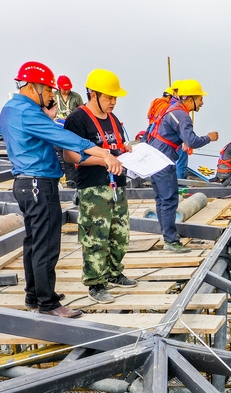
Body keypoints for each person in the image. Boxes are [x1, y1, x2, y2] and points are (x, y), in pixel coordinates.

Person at [0, 61, 122, 318]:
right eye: (48, 91)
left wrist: (50, 118)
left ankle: (35, 294)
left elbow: (49, 130)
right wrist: (102, 152)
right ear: (33, 88)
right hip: (39, 183)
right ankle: (49, 303)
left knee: (33, 241)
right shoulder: (27, 112)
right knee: (46, 244)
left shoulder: (12, 108)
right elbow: (64, 138)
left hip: (25, 183)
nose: (52, 95)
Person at [63, 69, 137, 305]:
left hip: (117, 185)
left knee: (120, 234)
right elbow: (71, 156)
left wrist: (126, 151)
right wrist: (104, 159)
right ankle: (96, 283)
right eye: (108, 97)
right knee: (96, 236)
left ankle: (114, 272)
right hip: (93, 188)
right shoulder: (77, 119)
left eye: (115, 98)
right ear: (93, 95)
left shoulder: (113, 119)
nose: (113, 102)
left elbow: (114, 146)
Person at [146, 79, 218, 252]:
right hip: (163, 160)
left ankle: (166, 234)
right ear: (190, 98)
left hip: (154, 156)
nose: (202, 102)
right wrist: (209, 137)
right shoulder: (182, 115)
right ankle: (170, 240)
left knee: (161, 199)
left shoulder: (171, 109)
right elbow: (192, 141)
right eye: (200, 98)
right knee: (170, 199)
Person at [53, 75, 82, 187]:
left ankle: (73, 182)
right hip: (57, 130)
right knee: (63, 155)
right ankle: (69, 182)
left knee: (73, 156)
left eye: (68, 88)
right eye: (64, 88)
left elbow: (82, 111)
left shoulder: (76, 97)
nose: (66, 90)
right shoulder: (53, 96)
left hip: (72, 129)